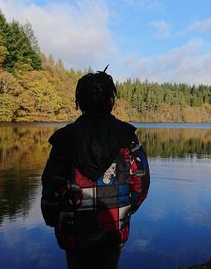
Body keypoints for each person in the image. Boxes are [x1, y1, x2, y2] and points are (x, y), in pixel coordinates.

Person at [41, 68, 150, 269]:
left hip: (73, 231)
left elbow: (50, 188)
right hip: (114, 230)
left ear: (79, 103)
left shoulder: (65, 139)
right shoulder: (127, 138)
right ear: (111, 101)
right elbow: (141, 184)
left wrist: (52, 218)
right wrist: (125, 211)